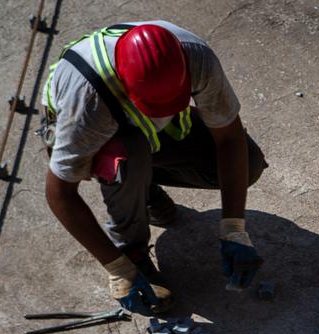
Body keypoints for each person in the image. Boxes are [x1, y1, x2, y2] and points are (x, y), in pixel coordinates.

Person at [39, 21, 267, 315]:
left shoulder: (196, 58)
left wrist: (234, 228)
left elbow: (229, 138)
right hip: (104, 135)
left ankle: (143, 187)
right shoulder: (87, 104)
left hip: (142, 126)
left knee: (248, 162)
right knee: (130, 150)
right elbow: (60, 194)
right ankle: (132, 251)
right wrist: (118, 267)